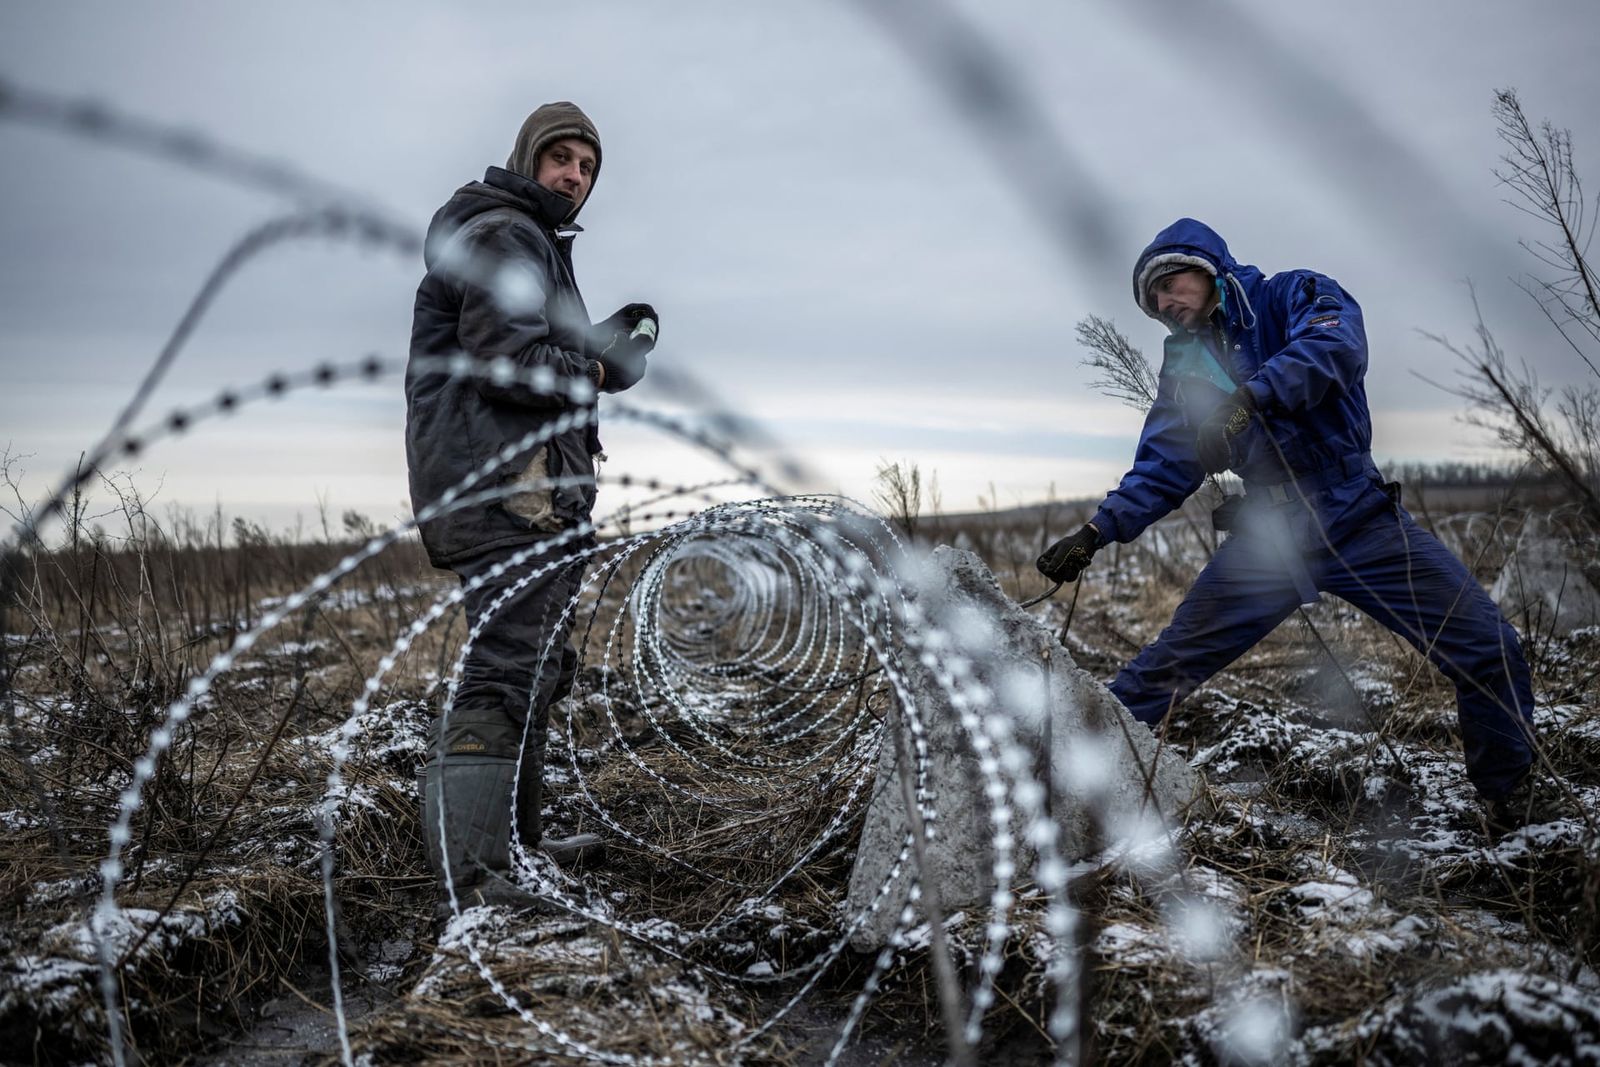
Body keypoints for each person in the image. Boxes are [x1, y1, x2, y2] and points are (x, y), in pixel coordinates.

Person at [1037, 218, 1544, 835]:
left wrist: (1249, 398)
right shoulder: (1185, 371)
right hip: (1270, 539)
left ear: (1209, 267)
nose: (1165, 304)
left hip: (1358, 516)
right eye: (1154, 302)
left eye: (1172, 285)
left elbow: (1337, 349)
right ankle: (1055, 790)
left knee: (1487, 645)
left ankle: (1508, 802)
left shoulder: (1294, 295)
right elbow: (1166, 465)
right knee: (1163, 670)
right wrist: (1097, 531)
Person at [405, 101, 657, 908]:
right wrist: (590, 368)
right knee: (509, 661)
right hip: (504, 483)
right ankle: (474, 875)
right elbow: (506, 361)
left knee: (537, 660)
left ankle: (519, 841)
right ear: (529, 157)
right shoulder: (507, 233)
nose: (574, 175)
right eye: (561, 158)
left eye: (586, 166)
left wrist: (600, 346)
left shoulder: (532, 242)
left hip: (529, 485)